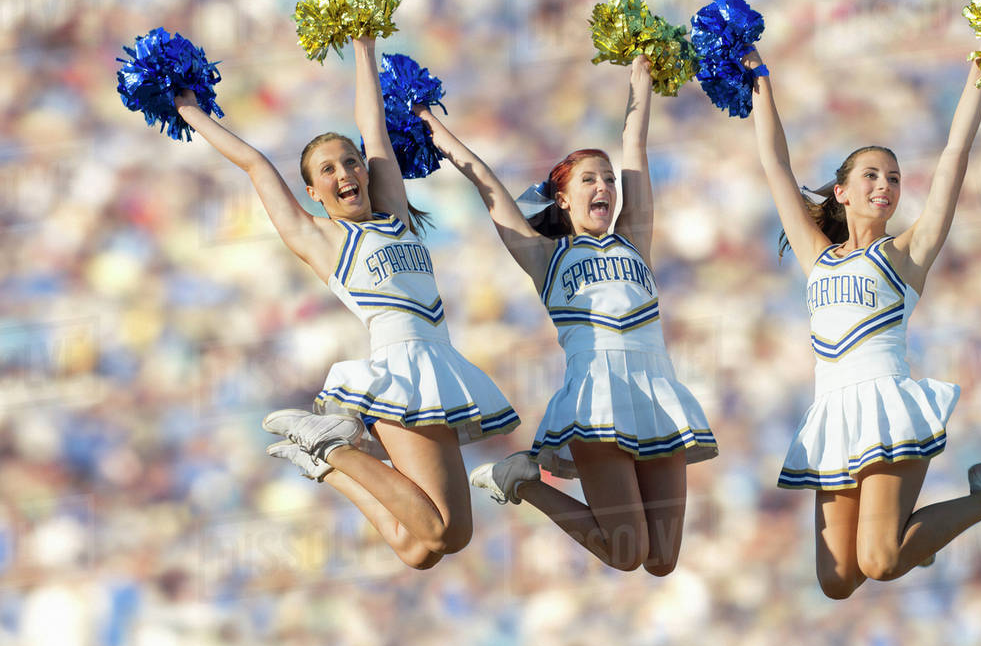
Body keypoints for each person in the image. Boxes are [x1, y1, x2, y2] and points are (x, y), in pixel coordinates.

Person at [171, 35, 519, 569]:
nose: (344, 174)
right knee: (443, 532)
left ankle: (323, 464)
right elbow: (256, 164)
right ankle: (332, 446)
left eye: (350, 162)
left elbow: (373, 125)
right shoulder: (323, 238)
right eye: (327, 171)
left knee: (421, 550)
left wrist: (364, 44)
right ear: (313, 191)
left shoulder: (395, 216)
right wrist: (189, 109)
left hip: (437, 364)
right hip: (398, 375)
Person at [741, 47, 981, 599]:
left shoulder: (906, 254)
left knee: (880, 561)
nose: (885, 184)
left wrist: (979, 79)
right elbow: (775, 164)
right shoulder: (818, 256)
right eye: (871, 175)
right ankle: (919, 539)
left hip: (887, 407)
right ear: (842, 191)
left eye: (894, 178)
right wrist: (759, 77)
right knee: (837, 581)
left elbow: (955, 156)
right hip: (834, 413)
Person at [413, 55, 717, 575]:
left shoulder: (633, 239)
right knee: (628, 554)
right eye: (590, 181)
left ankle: (521, 477)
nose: (604, 187)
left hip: (657, 390)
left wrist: (640, 81)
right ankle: (525, 482)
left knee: (662, 559)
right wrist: (434, 129)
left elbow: (635, 150)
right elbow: (487, 183)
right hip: (595, 395)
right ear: (564, 197)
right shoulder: (545, 257)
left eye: (608, 181)